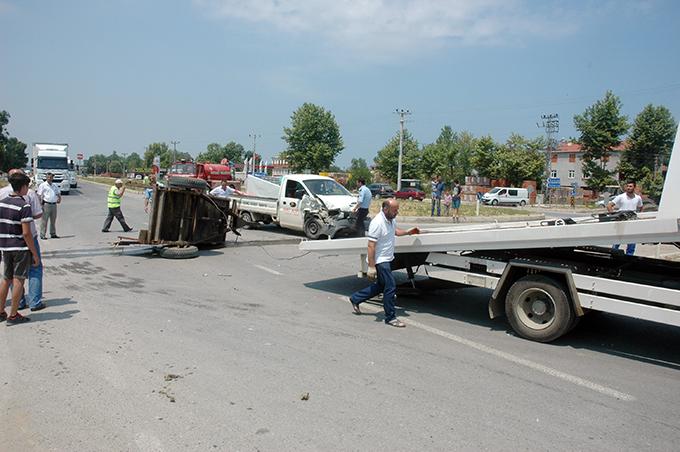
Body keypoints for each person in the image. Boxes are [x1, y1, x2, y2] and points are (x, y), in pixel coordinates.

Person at [349, 198, 420, 327]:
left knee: (381, 286)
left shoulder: (390, 219)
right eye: (394, 210)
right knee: (390, 287)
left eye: (397, 210)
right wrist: (371, 267)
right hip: (380, 261)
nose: (396, 212)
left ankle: (356, 298)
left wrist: (408, 232)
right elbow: (371, 246)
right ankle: (391, 317)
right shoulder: (377, 223)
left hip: (387, 258)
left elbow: (395, 231)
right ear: (386, 209)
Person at [0, 169, 45, 311]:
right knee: (24, 275)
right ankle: (22, 308)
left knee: (7, 278)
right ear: (23, 185)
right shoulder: (25, 203)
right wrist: (35, 254)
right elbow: (26, 233)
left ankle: (4, 309)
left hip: (6, 244)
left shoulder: (2, 198)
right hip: (21, 244)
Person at [608, 180, 643, 255]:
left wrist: (638, 215)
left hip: (632, 223)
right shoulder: (621, 197)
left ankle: (629, 258)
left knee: (631, 243)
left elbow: (640, 207)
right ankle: (613, 257)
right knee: (616, 242)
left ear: (634, 187)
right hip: (621, 222)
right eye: (627, 186)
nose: (628, 188)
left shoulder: (638, 198)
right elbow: (609, 205)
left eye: (630, 186)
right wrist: (613, 216)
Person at [36, 172, 61, 239]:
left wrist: (59, 198)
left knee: (53, 220)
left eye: (51, 177)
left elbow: (58, 193)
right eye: (48, 177)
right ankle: (42, 234)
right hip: (46, 204)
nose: (49, 178)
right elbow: (39, 195)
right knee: (44, 220)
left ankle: (53, 234)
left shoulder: (54, 185)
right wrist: (40, 204)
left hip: (54, 204)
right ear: (46, 177)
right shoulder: (43, 185)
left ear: (53, 178)